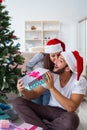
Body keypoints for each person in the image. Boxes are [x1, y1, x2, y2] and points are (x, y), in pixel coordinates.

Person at [13, 50, 87, 130]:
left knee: (72, 119)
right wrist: (23, 90)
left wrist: (52, 88)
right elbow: (33, 94)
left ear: (68, 68)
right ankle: (46, 126)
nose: (55, 61)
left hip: (65, 114)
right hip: (49, 110)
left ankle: (40, 125)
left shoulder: (80, 80)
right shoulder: (51, 76)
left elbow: (71, 108)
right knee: (18, 102)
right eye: (57, 58)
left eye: (60, 61)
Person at [26, 38, 65, 105]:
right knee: (36, 107)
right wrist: (34, 76)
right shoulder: (41, 56)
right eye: (53, 55)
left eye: (58, 55)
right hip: (36, 84)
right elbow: (28, 66)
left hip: (48, 87)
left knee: (46, 108)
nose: (56, 57)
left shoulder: (61, 61)